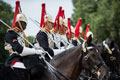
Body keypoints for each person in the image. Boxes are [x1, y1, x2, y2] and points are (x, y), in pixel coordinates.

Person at [4, 13, 45, 80]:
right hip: (15, 58)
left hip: (25, 58)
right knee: (21, 67)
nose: (26, 26)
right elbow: (19, 50)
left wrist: (37, 47)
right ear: (20, 22)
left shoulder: (22, 35)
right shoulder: (11, 33)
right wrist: (36, 51)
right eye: (25, 23)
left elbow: (28, 47)